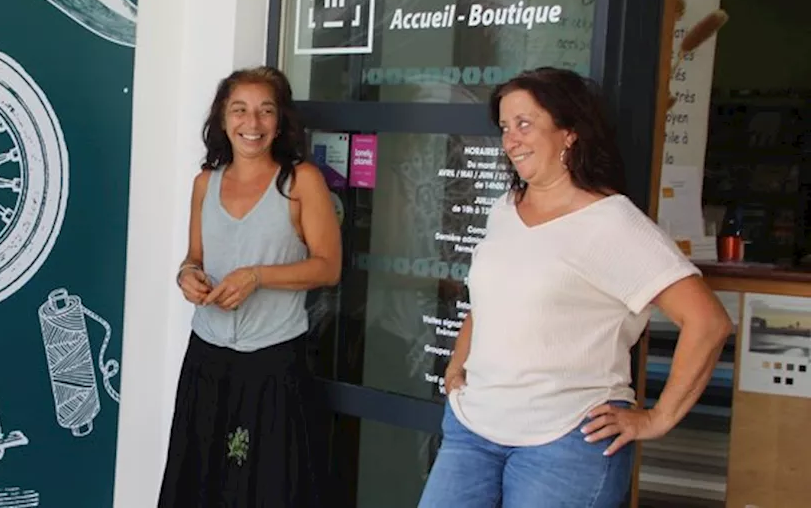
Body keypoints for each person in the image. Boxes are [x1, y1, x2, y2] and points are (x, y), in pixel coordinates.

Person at [417, 67, 733, 508]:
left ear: (568, 133)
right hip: (473, 429)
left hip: (564, 442)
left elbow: (708, 322)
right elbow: (488, 301)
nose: (511, 140)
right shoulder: (506, 209)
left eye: (524, 124)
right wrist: (457, 365)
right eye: (505, 127)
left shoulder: (612, 223)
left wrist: (657, 419)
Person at [157, 66, 341, 508]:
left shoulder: (301, 182)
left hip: (273, 366)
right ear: (223, 119)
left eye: (265, 111)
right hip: (207, 358)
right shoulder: (206, 183)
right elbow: (194, 258)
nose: (252, 123)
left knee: (267, 489)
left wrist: (258, 276)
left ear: (280, 122)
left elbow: (329, 268)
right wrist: (186, 275)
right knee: (201, 484)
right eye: (240, 110)